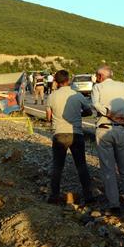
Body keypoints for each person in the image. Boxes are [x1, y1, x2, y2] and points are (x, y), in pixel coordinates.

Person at [91, 65, 124, 214]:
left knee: (108, 169)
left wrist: (109, 113)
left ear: (100, 76)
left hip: (104, 128)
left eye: (97, 76)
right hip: (121, 130)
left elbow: (95, 104)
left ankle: (114, 204)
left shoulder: (98, 87)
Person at [45, 70, 93, 205]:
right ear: (68, 80)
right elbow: (89, 111)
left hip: (59, 134)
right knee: (81, 165)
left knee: (57, 166)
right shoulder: (77, 95)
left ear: (56, 81)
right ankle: (88, 195)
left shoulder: (52, 96)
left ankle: (54, 195)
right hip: (76, 133)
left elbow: (48, 116)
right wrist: (78, 115)